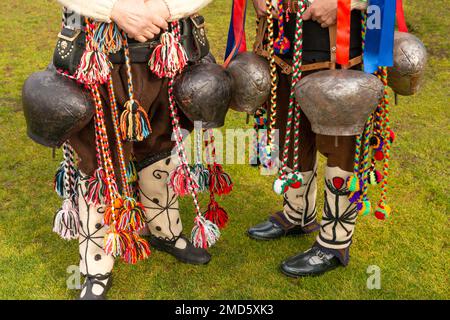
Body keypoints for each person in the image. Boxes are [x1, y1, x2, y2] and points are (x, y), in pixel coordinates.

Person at [52, 0, 213, 299]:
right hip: (95, 55)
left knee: (161, 151)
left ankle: (164, 230)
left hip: (166, 49)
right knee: (96, 160)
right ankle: (95, 264)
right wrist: (114, 10)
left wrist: (166, 8)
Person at [247, 0, 370, 277]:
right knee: (290, 131)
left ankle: (335, 240)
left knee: (340, 144)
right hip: (283, 43)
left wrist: (343, 2)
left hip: (337, 44)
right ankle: (297, 213)